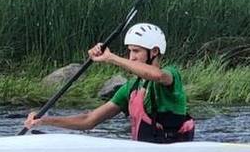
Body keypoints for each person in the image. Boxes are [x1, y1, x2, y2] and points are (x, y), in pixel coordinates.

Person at [24, 23, 194, 143]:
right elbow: (89, 120)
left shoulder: (171, 75)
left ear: (154, 51)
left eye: (136, 51)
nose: (131, 56)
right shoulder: (130, 88)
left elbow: (156, 75)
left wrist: (111, 57)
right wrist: (45, 120)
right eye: (129, 51)